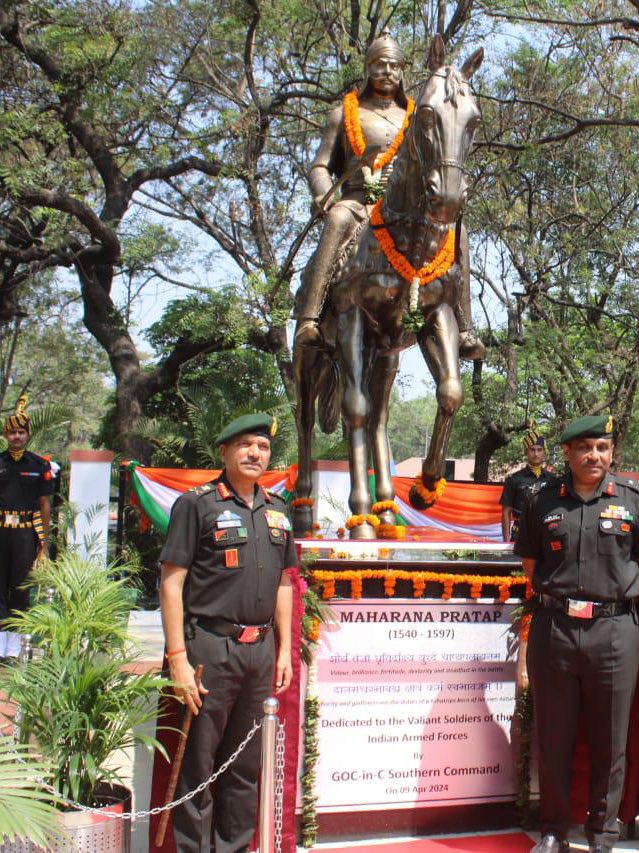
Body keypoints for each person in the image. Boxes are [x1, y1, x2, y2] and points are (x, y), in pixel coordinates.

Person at [515, 415, 639, 853]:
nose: (593, 455)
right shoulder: (542, 500)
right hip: (555, 628)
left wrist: (614, 600)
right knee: (554, 736)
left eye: (602, 447)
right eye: (584, 448)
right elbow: (530, 565)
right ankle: (554, 830)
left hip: (614, 630)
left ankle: (603, 833)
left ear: (612, 451)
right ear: (566, 453)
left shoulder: (636, 498)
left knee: (611, 739)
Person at [294, 28, 484, 360]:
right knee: (338, 218)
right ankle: (310, 318)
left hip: (399, 205)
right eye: (380, 65)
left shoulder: (416, 114)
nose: (388, 72)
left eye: (395, 66)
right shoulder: (345, 112)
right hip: (355, 201)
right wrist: (325, 196)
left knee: (458, 232)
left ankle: (465, 328)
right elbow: (319, 166)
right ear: (367, 68)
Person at [159, 413, 296, 852]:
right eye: (245, 445)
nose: (256, 453)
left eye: (263, 446)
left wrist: (284, 651)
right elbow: (171, 581)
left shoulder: (278, 509)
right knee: (197, 769)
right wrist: (177, 657)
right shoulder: (197, 504)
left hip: (260, 655)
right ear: (224, 451)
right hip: (209, 651)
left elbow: (284, 583)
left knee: (243, 770)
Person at [0, 394, 53, 660]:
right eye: (12, 432)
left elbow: (44, 505)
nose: (17, 437)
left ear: (28, 434)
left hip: (24, 534)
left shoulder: (39, 465)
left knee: (21, 589)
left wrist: (44, 542)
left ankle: (14, 650)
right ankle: (0, 649)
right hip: (0, 532)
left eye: (21, 432)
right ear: (6, 435)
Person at [500, 424, 558, 541]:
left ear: (544, 452)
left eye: (539, 450)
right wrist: (505, 543)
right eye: (532, 449)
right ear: (526, 452)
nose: (536, 454)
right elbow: (506, 513)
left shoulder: (553, 480)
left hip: (545, 535)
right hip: (520, 535)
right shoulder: (514, 479)